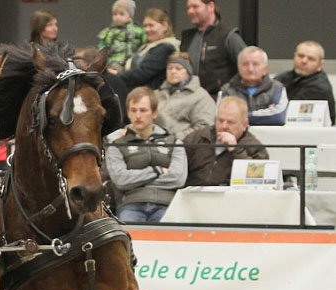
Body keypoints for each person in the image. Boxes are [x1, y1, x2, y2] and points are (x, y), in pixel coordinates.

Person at [106, 87, 186, 222]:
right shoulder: (117, 144)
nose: (138, 115)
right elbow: (120, 180)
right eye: (133, 110)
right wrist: (156, 171)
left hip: (166, 203)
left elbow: (178, 178)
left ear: (154, 113)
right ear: (128, 113)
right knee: (127, 236)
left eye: (143, 110)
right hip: (131, 204)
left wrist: (137, 180)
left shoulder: (173, 142)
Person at [183, 96, 268, 186]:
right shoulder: (197, 138)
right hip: (192, 195)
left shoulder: (255, 147)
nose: (224, 126)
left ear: (244, 124)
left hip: (232, 197)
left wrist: (235, 149)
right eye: (220, 120)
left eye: (231, 122)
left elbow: (258, 181)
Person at [179, 0, 246, 97]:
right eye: (188, 8)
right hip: (189, 99)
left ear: (211, 6)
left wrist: (228, 88)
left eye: (195, 7)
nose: (190, 11)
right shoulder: (187, 38)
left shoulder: (228, 36)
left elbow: (247, 65)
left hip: (220, 99)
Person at [111, 8, 180, 91]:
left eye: (151, 25)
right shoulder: (146, 46)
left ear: (165, 25)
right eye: (145, 26)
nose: (147, 30)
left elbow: (142, 73)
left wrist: (117, 74)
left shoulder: (166, 47)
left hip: (150, 97)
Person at [217, 47, 288, 126]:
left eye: (255, 64)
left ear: (265, 69)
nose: (250, 69)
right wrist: (266, 113)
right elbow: (220, 117)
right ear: (238, 67)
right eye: (245, 64)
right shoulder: (227, 90)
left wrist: (240, 116)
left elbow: (279, 117)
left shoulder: (277, 88)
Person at [274, 41, 335, 125]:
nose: (304, 61)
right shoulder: (283, 77)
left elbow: (289, 111)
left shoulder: (320, 87)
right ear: (294, 56)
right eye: (300, 56)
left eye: (311, 59)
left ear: (320, 65)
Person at [156, 52, 215, 139]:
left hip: (181, 146)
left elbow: (204, 127)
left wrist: (175, 139)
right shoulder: (157, 94)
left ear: (188, 71)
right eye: (169, 68)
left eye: (178, 68)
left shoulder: (201, 96)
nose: (173, 71)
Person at [97, 0, 145, 71]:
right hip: (114, 61)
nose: (117, 17)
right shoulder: (108, 32)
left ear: (130, 16)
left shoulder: (138, 30)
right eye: (115, 14)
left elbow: (144, 43)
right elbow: (103, 48)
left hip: (133, 61)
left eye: (121, 14)